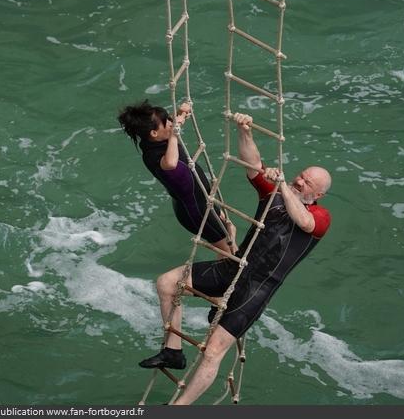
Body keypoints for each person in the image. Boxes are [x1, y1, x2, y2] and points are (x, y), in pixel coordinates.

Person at [138, 112, 332, 405]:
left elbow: (303, 222)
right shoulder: (276, 194)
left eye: (306, 182)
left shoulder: (320, 216)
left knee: (213, 350)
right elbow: (252, 166)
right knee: (167, 283)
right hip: (233, 267)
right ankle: (173, 350)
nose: (298, 181)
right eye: (300, 176)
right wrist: (245, 132)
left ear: (318, 194)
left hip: (257, 288)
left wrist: (281, 187)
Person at [117, 100, 236, 255]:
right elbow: (171, 163)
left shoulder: (158, 137)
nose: (170, 123)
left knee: (227, 240)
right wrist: (174, 135)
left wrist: (181, 112)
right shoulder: (152, 155)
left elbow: (172, 123)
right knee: (230, 251)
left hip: (204, 201)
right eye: (166, 122)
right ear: (154, 133)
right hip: (195, 212)